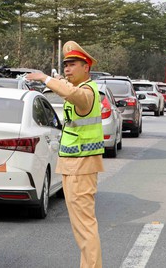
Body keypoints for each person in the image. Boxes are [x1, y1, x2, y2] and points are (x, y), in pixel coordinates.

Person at [26, 40, 104, 268]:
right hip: (74, 165)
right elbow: (69, 92)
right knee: (81, 227)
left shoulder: (87, 93)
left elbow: (74, 96)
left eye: (73, 64)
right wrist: (57, 81)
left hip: (82, 165)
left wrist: (46, 79)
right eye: (65, 65)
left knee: (85, 226)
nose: (67, 69)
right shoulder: (80, 89)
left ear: (86, 67)